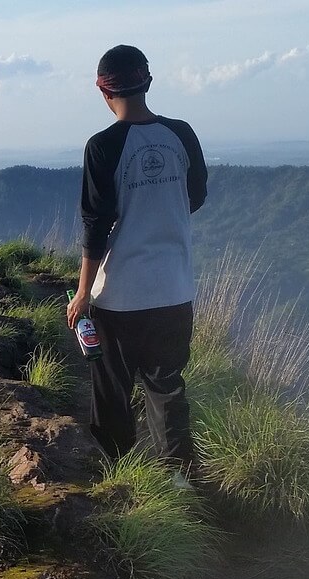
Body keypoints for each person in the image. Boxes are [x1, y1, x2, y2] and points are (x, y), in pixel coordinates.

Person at [65, 44, 209, 489]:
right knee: (166, 385)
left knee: (112, 389)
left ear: (102, 90)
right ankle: (179, 481)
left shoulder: (103, 147)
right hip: (174, 290)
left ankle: (118, 481)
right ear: (148, 81)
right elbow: (196, 196)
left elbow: (95, 225)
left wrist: (83, 293)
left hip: (120, 295)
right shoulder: (181, 135)